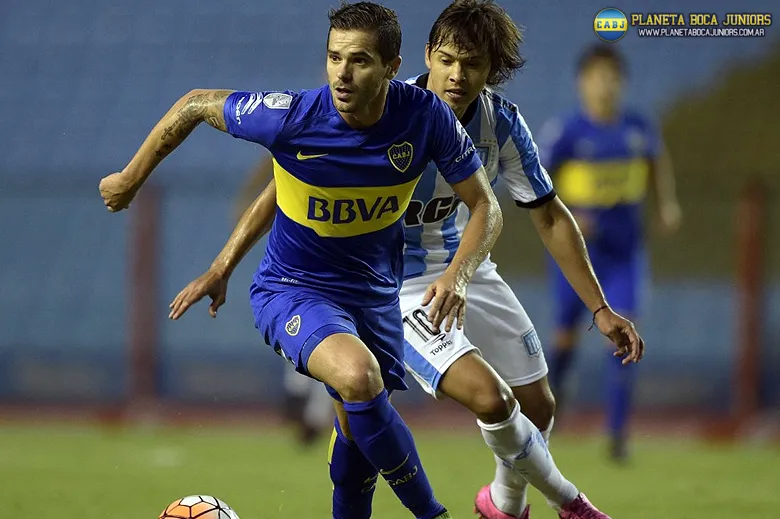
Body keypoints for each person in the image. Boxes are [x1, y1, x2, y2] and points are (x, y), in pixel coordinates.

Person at [235, 2, 644, 518]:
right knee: (487, 399)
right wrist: (227, 261)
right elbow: (288, 186)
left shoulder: (502, 124)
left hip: (464, 268)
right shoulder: (382, 104)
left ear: (491, 70)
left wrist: (601, 308)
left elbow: (550, 216)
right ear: (426, 56)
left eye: (471, 64)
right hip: (391, 286)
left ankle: (502, 505)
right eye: (446, 60)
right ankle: (571, 503)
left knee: (538, 407)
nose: (455, 75)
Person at [98, 3, 505, 519]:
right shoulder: (290, 117)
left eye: (359, 60)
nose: (342, 73)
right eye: (334, 57)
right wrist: (131, 179)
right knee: (358, 378)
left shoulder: (426, 118)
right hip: (294, 288)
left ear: (393, 67)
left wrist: (459, 275)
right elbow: (196, 103)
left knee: (357, 443)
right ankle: (433, 514)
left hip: (375, 297)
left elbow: (486, 207)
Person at [539, 43, 682, 462]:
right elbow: (535, 183)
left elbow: (658, 163)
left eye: (613, 77)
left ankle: (618, 435)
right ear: (581, 82)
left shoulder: (637, 127)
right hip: (577, 254)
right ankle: (554, 404)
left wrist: (667, 203)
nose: (606, 85)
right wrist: (568, 212)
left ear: (622, 82)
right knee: (564, 337)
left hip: (624, 252)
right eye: (598, 76)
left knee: (623, 336)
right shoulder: (565, 131)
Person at [236, 155, 334, 448]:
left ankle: (308, 406)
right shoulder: (301, 137)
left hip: (333, 247)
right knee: (311, 325)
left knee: (325, 329)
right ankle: (304, 402)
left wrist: (245, 198)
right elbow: (270, 163)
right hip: (302, 247)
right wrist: (246, 199)